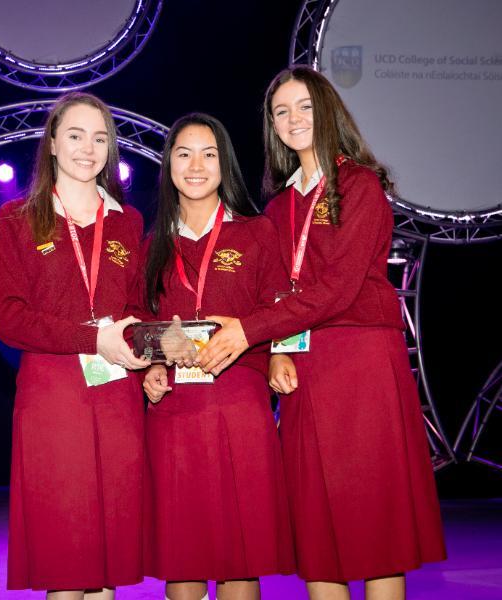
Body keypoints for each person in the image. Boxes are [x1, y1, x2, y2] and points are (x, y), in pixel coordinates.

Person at [196, 66, 446, 599]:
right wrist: (276, 352)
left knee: (378, 533)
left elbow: (336, 289)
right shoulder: (279, 206)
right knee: (318, 532)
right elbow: (279, 292)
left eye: (305, 106)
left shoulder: (360, 186)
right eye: (281, 111)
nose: (293, 119)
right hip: (306, 373)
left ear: (328, 110)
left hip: (361, 368)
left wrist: (249, 331)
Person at [0, 92, 150, 598]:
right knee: (67, 558)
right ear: (53, 143)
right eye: (76, 135)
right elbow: (8, 317)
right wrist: (93, 337)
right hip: (52, 400)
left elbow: (139, 308)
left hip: (118, 397)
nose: (88, 148)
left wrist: (154, 350)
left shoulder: (128, 221)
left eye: (100, 138)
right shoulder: (17, 218)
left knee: (108, 559)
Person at [136, 113, 294, 600]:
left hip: (239, 408)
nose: (197, 165)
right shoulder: (151, 246)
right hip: (174, 413)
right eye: (184, 154)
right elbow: (138, 322)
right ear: (168, 167)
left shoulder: (257, 233)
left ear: (225, 164)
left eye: (209, 153)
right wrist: (155, 366)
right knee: (182, 556)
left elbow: (281, 307)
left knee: (237, 554)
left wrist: (275, 356)